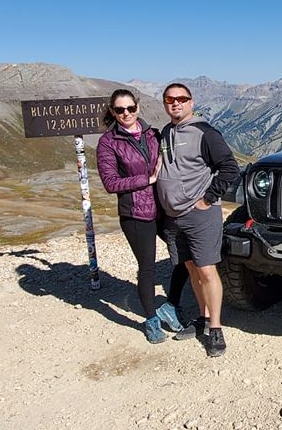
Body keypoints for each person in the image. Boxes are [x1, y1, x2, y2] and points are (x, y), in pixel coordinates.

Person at [156, 83, 240, 357]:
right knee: (192, 268)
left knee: (206, 270)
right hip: (174, 216)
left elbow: (229, 168)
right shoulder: (166, 132)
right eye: (170, 99)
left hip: (200, 215)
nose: (176, 103)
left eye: (181, 98)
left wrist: (207, 199)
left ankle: (215, 329)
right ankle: (202, 319)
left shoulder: (205, 133)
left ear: (191, 103)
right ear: (165, 103)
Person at [96, 89, 186, 343]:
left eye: (130, 108)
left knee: (184, 255)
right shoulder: (108, 142)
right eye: (120, 110)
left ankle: (171, 305)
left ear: (138, 107)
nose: (126, 113)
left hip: (164, 207)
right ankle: (151, 320)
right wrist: (147, 179)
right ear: (112, 112)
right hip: (135, 213)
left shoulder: (153, 134)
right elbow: (111, 183)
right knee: (147, 268)